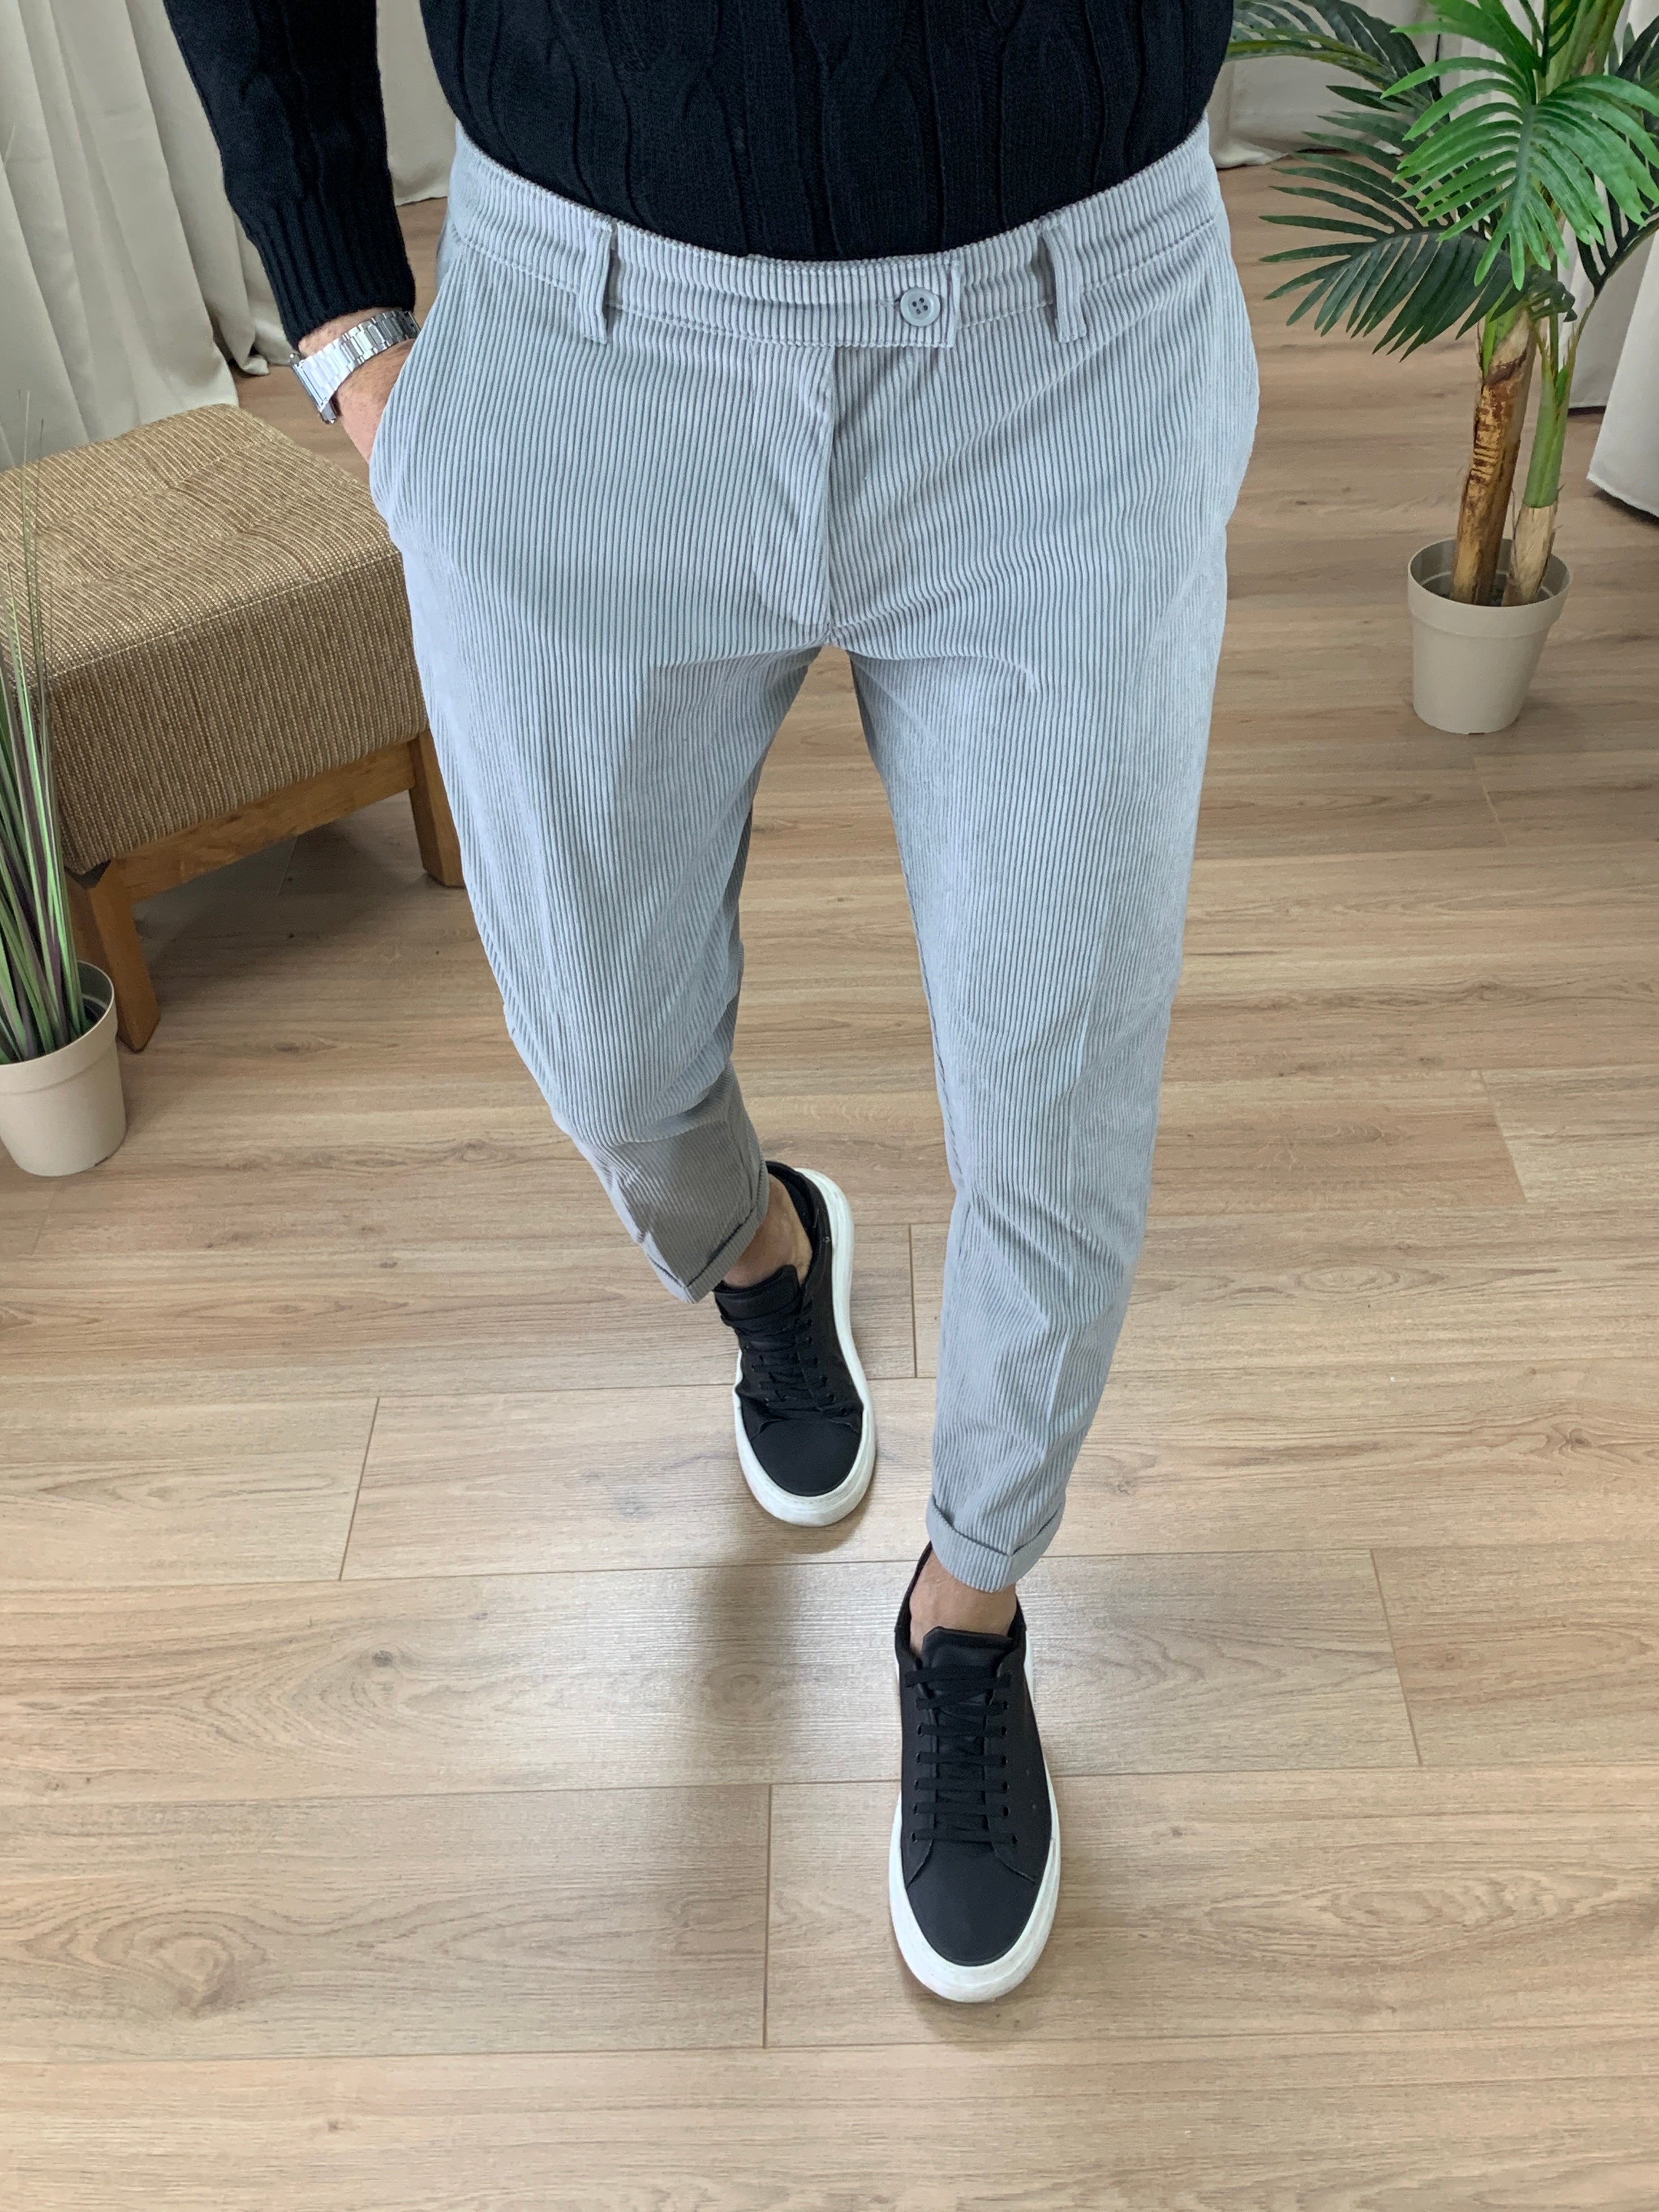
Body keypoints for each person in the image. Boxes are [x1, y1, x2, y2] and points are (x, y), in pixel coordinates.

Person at [164, 0, 1256, 2003]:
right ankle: (762, 1253)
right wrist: (344, 330)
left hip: (1075, 337)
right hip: (585, 346)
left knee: (1061, 1105)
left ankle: (969, 1611)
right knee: (604, 1042)